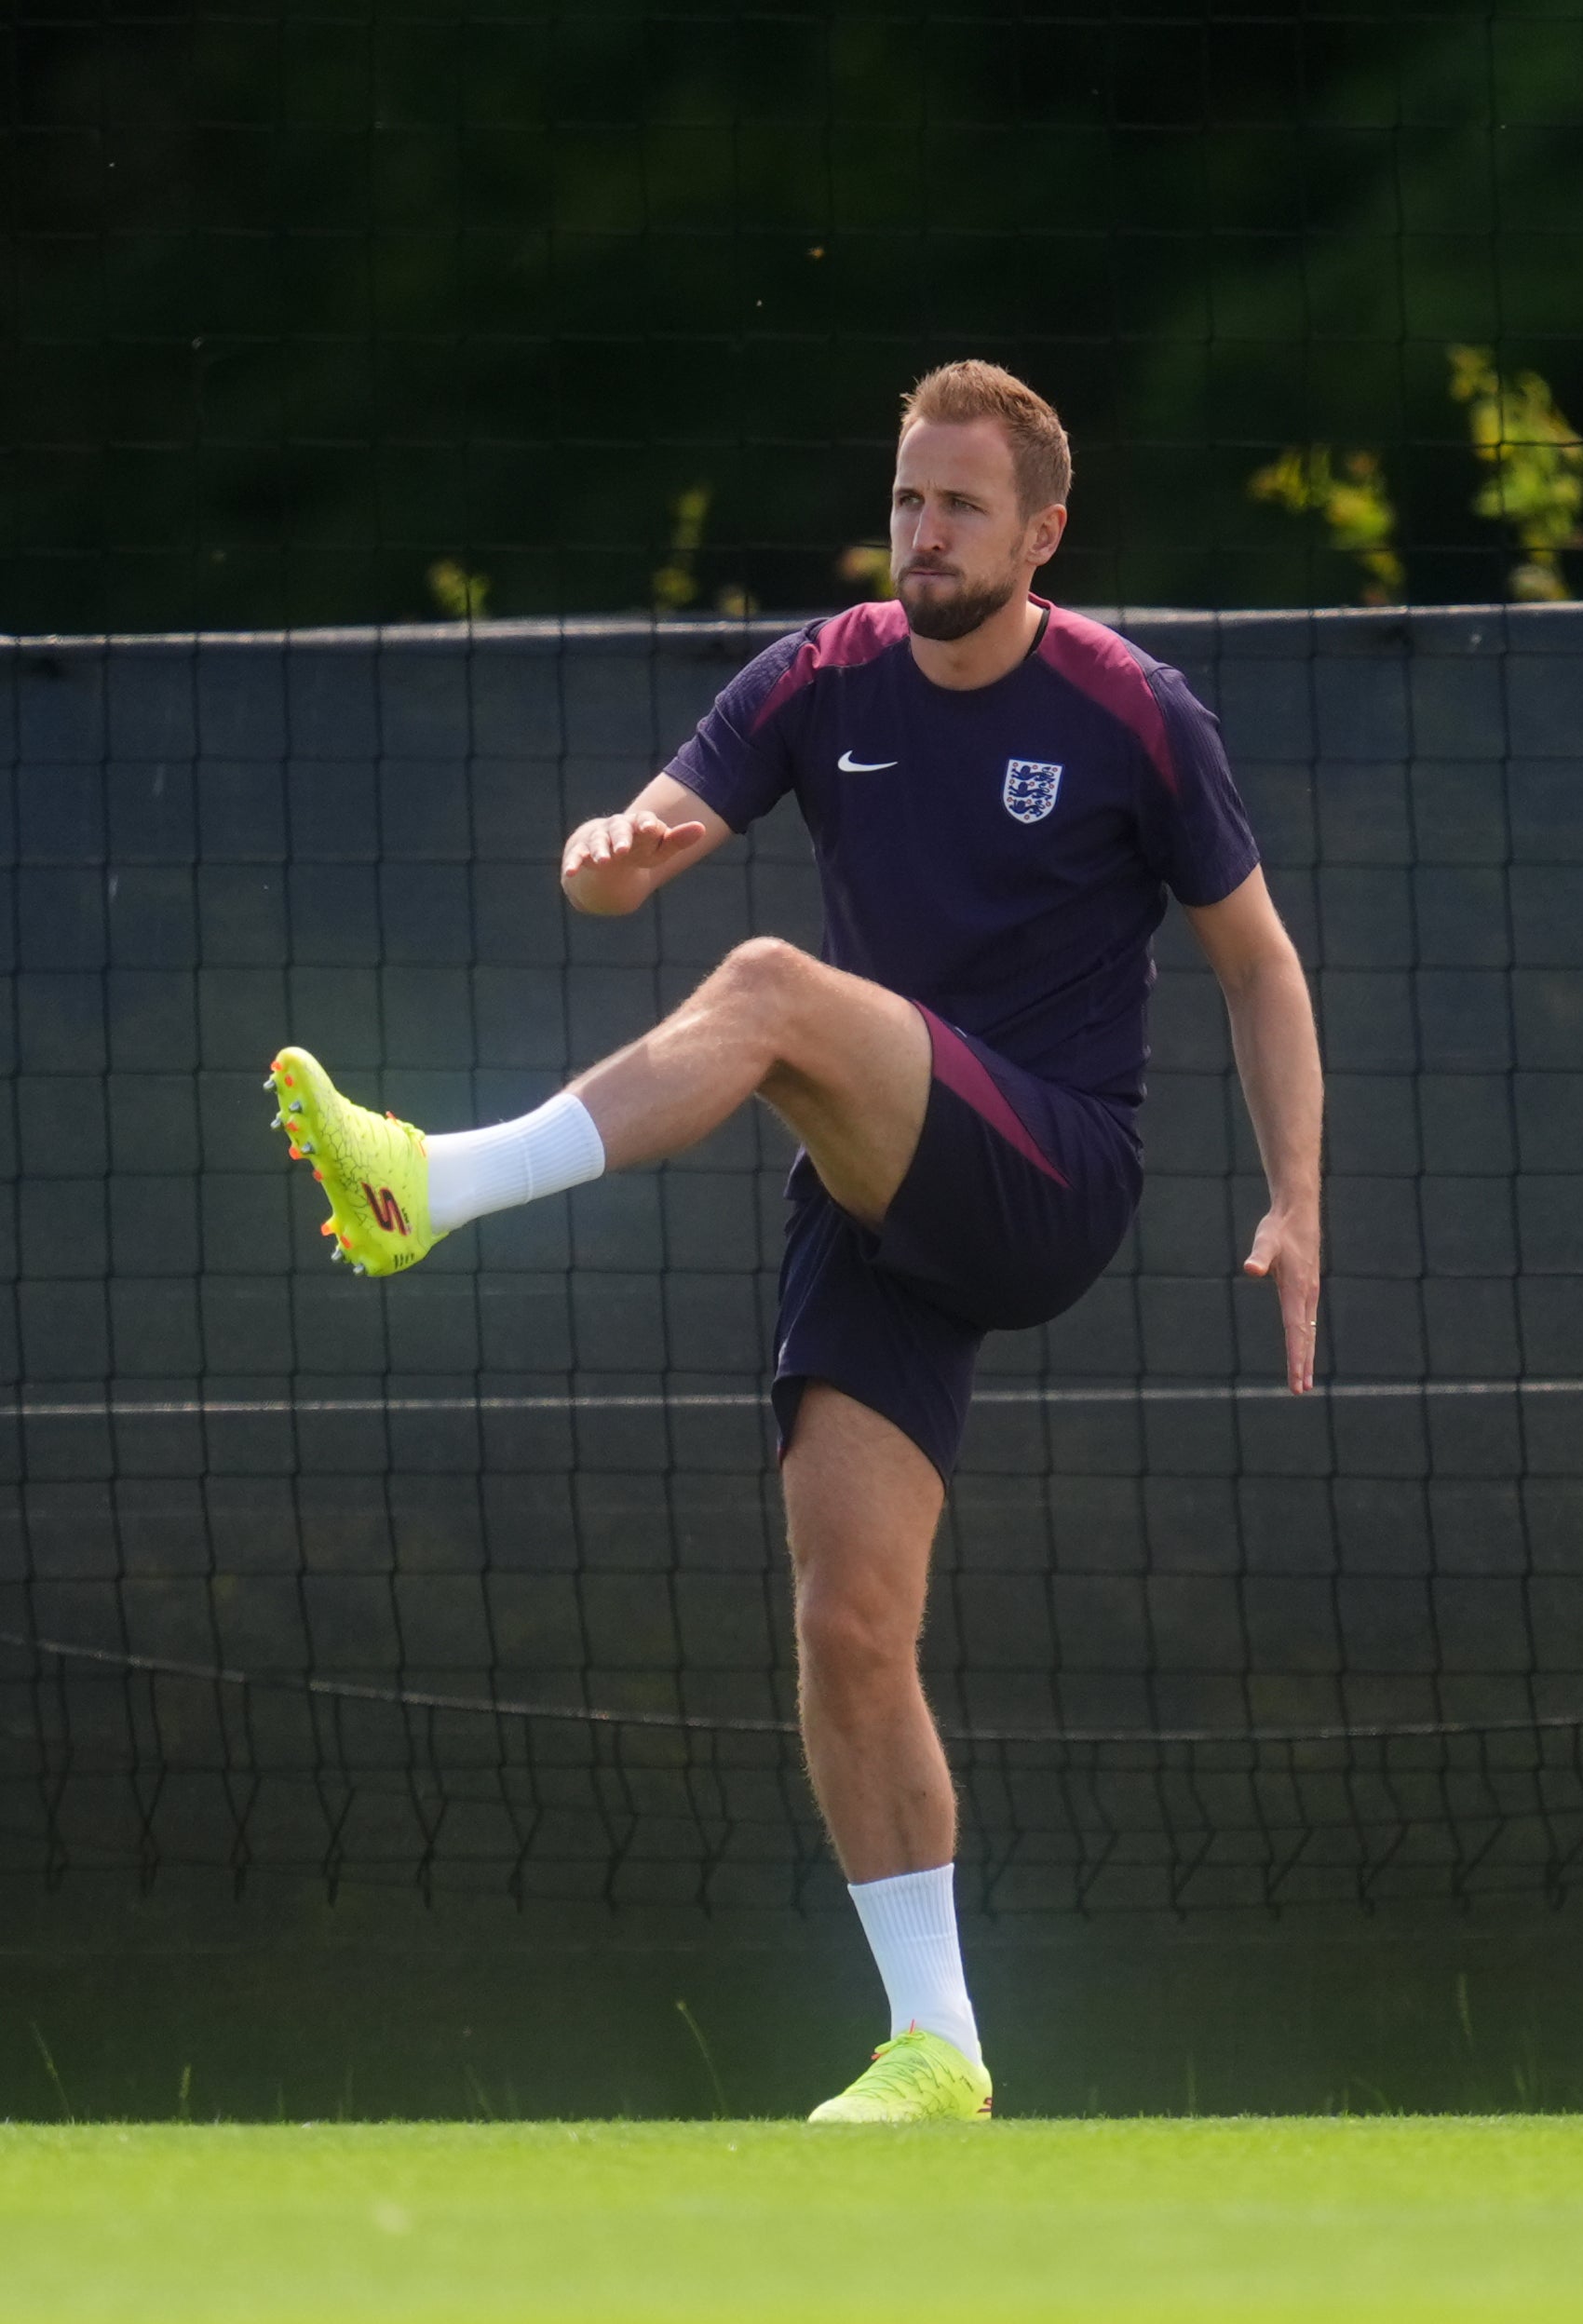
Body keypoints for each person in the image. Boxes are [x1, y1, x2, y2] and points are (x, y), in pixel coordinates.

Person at [267, 359, 1323, 2124]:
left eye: (962, 505)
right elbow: (621, 865)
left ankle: (430, 1186)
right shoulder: (821, 675)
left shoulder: (1136, 710)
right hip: (879, 1188)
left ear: (1042, 535)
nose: (925, 530)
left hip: (1051, 1169)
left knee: (768, 988)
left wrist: (1297, 1199)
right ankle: (941, 2046)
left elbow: (1261, 965)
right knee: (846, 1622)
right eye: (908, 498)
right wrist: (607, 854)